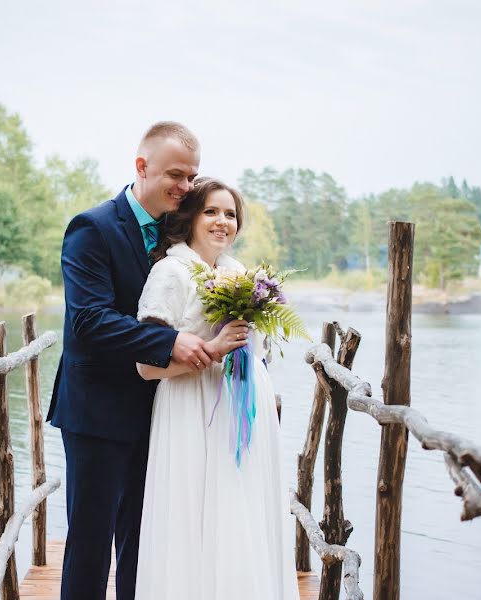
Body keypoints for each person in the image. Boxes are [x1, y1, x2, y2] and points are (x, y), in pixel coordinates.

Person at [48, 122, 245, 600]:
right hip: (97, 411)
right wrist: (169, 344)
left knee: (144, 538)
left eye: (191, 177)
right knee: (91, 542)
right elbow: (89, 321)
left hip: (159, 408)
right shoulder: (92, 228)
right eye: (175, 174)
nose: (185, 186)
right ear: (142, 167)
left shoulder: (179, 231)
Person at [133, 178, 301, 600]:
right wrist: (210, 350)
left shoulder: (241, 275)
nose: (222, 221)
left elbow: (258, 350)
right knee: (193, 516)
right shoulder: (169, 273)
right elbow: (144, 368)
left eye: (230, 214)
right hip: (192, 407)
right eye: (211, 211)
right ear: (189, 217)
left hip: (244, 409)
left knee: (244, 514)